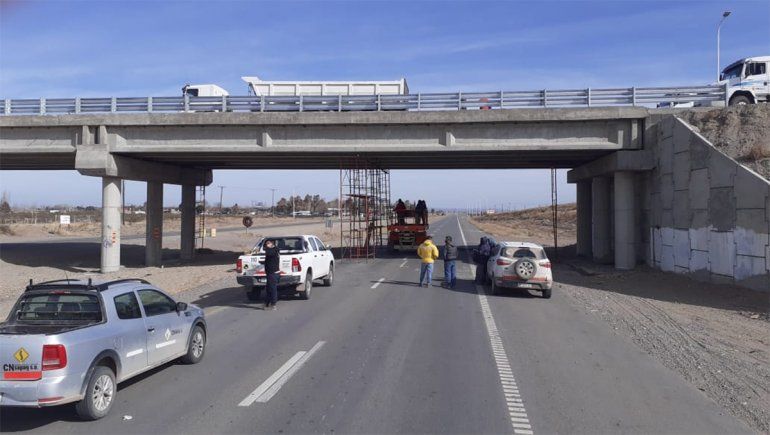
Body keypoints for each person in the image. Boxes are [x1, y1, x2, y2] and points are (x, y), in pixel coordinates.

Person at [263, 239, 280, 310]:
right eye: (266, 244)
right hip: (270, 272)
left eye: (268, 244)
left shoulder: (274, 250)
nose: (266, 246)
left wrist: (268, 247)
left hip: (273, 273)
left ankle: (273, 304)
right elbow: (269, 259)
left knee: (272, 289)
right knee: (268, 289)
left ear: (272, 244)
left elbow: (269, 253)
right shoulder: (272, 250)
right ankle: (267, 304)